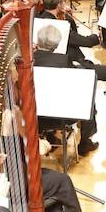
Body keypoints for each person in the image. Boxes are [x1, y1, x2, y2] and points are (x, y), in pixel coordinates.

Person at [33, 24, 99, 155]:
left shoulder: (29, 59)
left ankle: (50, 136)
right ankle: (85, 142)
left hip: (35, 115)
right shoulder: (63, 60)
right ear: (56, 44)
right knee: (87, 97)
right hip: (61, 116)